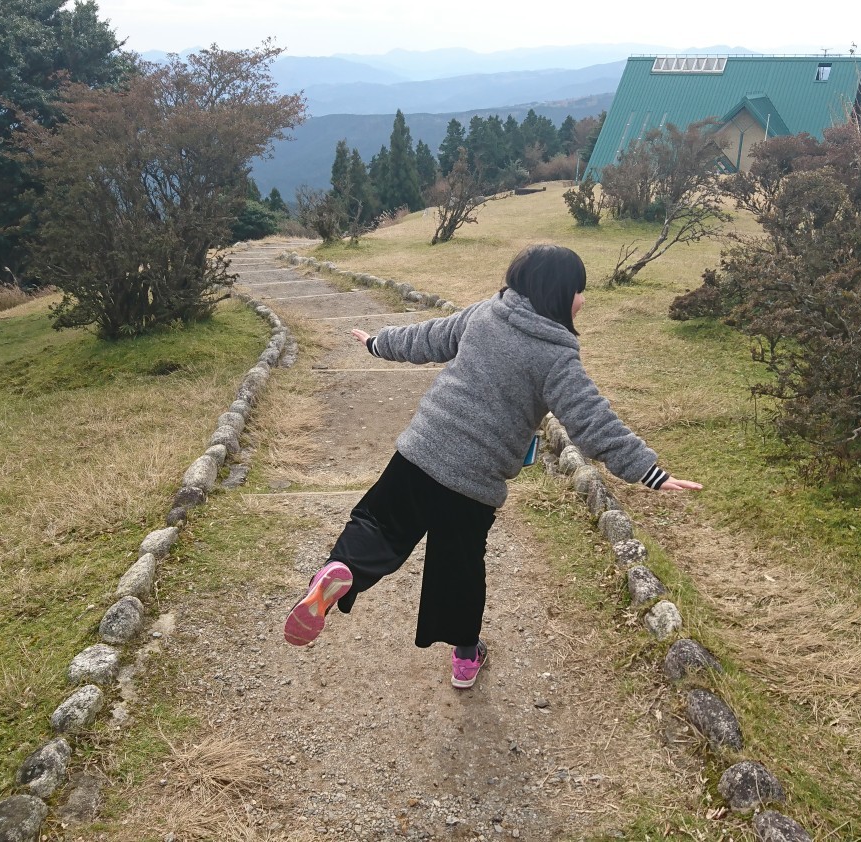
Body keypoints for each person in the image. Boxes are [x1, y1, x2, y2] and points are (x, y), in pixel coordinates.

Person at [283, 243, 701, 688]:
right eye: (580, 290)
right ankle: (465, 657)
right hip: (473, 486)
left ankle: (340, 570)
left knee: (379, 524)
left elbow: (428, 337)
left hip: (420, 452)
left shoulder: (486, 314)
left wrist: (377, 343)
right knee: (459, 568)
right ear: (559, 294)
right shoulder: (556, 356)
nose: (582, 300)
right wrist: (650, 472)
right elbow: (592, 419)